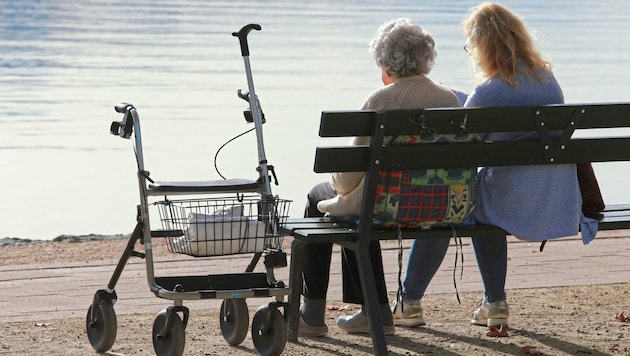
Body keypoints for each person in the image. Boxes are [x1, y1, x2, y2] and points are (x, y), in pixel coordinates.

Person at [391, 2, 598, 331]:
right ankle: (494, 304)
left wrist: (455, 102)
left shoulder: (489, 91)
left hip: (511, 198)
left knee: (450, 206)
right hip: (553, 195)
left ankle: (410, 301)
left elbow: (464, 145)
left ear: (483, 45)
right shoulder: (547, 80)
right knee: (482, 203)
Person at [298, 18, 462, 337]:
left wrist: (340, 186)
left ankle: (313, 314)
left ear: (386, 62)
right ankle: (373, 311)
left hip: (386, 206)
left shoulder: (381, 100)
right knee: (355, 207)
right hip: (437, 206)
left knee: (323, 199)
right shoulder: (449, 100)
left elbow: (345, 182)